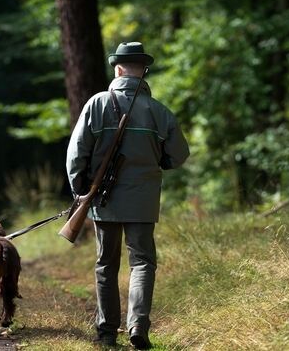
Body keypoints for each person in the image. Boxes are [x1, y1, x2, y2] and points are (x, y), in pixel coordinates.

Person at [66, 42, 190, 349]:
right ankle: (138, 327)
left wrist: (80, 190)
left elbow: (75, 155)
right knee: (143, 263)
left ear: (118, 69)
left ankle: (107, 331)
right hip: (144, 201)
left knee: (106, 263)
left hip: (104, 200)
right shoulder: (159, 112)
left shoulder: (96, 104)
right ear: (142, 71)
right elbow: (178, 156)